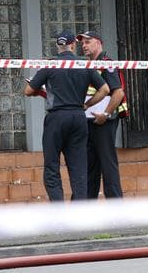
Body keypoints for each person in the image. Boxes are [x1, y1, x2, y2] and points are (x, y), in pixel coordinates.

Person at [24, 30, 109, 202]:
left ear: (58, 46)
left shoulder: (51, 65)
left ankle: (59, 212)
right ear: (73, 45)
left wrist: (40, 91)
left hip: (56, 118)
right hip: (78, 117)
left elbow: (28, 90)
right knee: (78, 168)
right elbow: (105, 89)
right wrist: (87, 104)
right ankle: (79, 214)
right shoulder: (84, 65)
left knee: (52, 166)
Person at [77, 30, 125, 199]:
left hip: (104, 122)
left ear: (98, 42)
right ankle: (87, 210)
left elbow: (118, 93)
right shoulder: (89, 65)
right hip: (89, 121)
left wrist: (105, 114)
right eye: (82, 43)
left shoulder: (106, 63)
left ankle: (115, 209)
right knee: (90, 166)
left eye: (87, 42)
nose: (83, 46)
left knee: (108, 165)